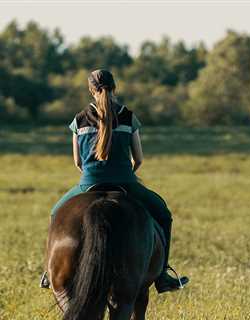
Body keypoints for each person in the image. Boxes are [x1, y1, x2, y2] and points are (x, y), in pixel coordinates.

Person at [40, 69, 188, 293]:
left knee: (55, 213)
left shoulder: (78, 120)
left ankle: (50, 271)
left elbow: (77, 162)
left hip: (89, 182)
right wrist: (128, 171)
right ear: (114, 88)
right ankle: (162, 276)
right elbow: (138, 158)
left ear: (91, 90)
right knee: (163, 213)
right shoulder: (128, 116)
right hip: (126, 182)